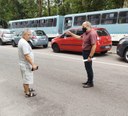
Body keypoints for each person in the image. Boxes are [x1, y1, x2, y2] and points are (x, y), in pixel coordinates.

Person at [66, 21, 97, 88]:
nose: (82, 27)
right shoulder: (86, 32)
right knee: (87, 67)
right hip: (85, 52)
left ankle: (90, 83)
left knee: (89, 68)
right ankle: (88, 81)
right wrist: (71, 33)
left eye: (83, 26)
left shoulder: (92, 33)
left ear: (88, 26)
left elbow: (94, 46)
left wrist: (90, 56)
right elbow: (79, 37)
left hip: (88, 52)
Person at [18, 29, 38, 97]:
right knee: (27, 79)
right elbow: (26, 55)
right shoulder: (24, 43)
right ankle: (27, 93)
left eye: (30, 34)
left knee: (26, 78)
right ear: (24, 35)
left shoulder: (22, 41)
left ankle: (27, 89)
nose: (30, 36)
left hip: (23, 64)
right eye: (28, 35)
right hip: (26, 65)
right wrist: (33, 64)